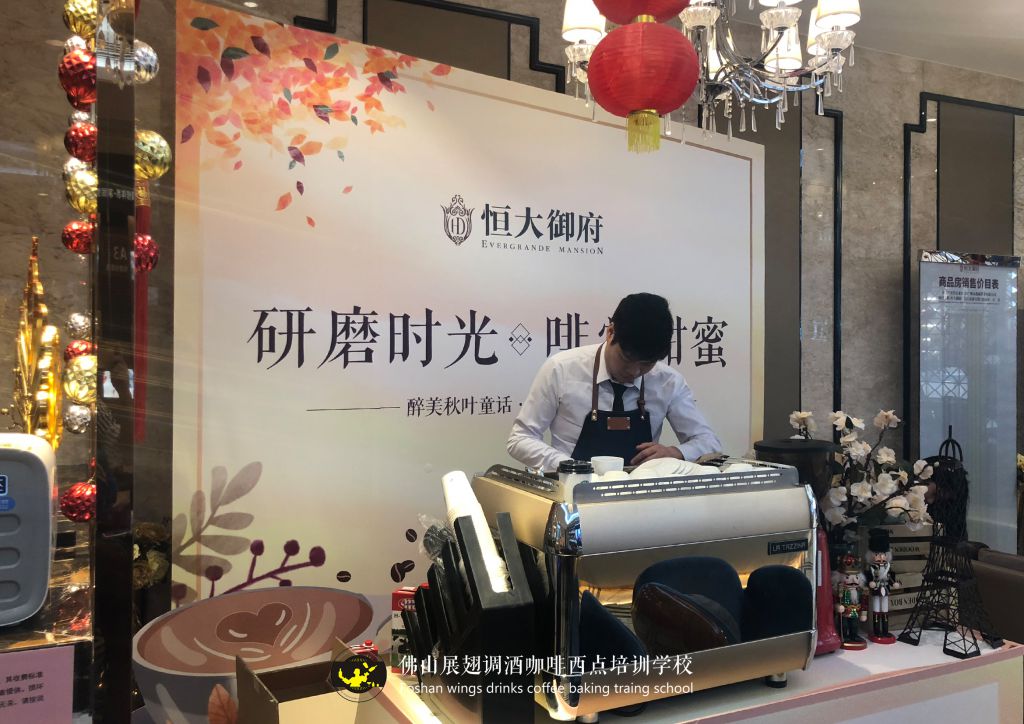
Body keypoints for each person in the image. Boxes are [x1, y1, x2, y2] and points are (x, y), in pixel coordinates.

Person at [507, 293, 722, 472]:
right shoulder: (562, 368)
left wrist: (675, 452)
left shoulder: (668, 381)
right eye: (626, 359)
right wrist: (568, 466)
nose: (634, 372)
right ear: (610, 333)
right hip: (572, 489)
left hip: (641, 494)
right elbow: (520, 439)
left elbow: (709, 442)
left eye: (646, 364)